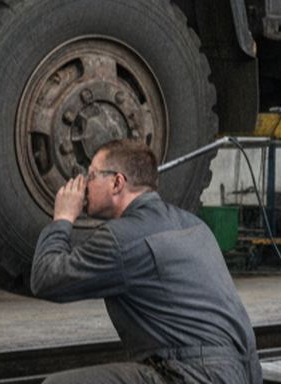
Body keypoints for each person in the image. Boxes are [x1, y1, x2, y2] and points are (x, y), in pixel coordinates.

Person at [29, 139, 262, 384]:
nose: (84, 185)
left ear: (117, 182)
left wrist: (63, 218)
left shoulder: (121, 237)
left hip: (195, 375)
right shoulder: (194, 224)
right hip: (241, 372)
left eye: (92, 175)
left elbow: (45, 278)